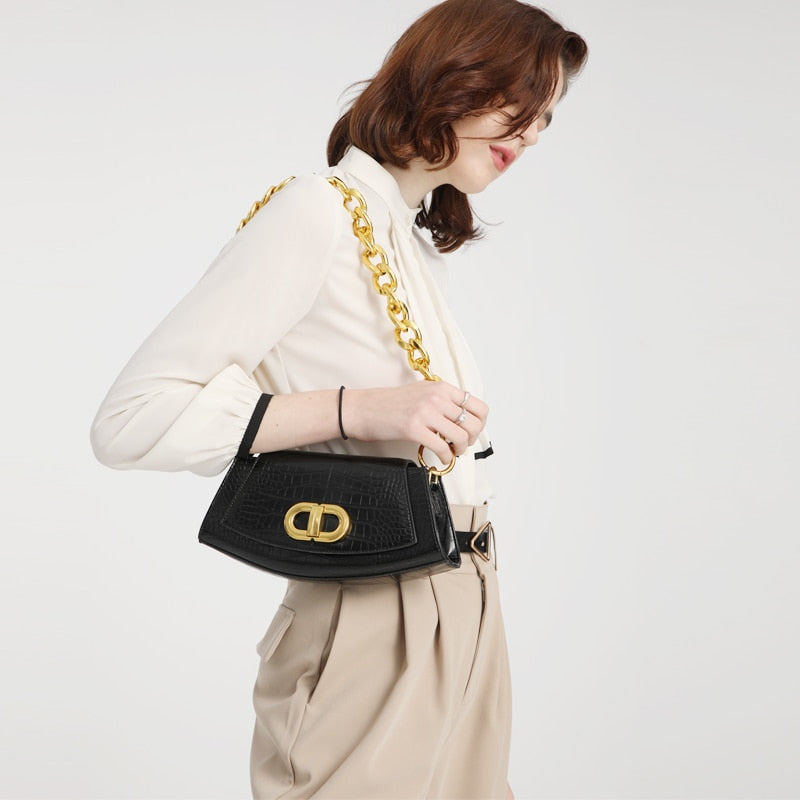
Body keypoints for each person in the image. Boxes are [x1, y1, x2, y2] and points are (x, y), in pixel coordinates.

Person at [90, 0, 587, 796]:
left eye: (548, 116)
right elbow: (130, 419)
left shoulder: (409, 244)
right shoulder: (316, 211)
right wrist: (356, 408)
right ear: (453, 77)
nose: (531, 133)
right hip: (372, 606)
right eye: (522, 101)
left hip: (467, 598)